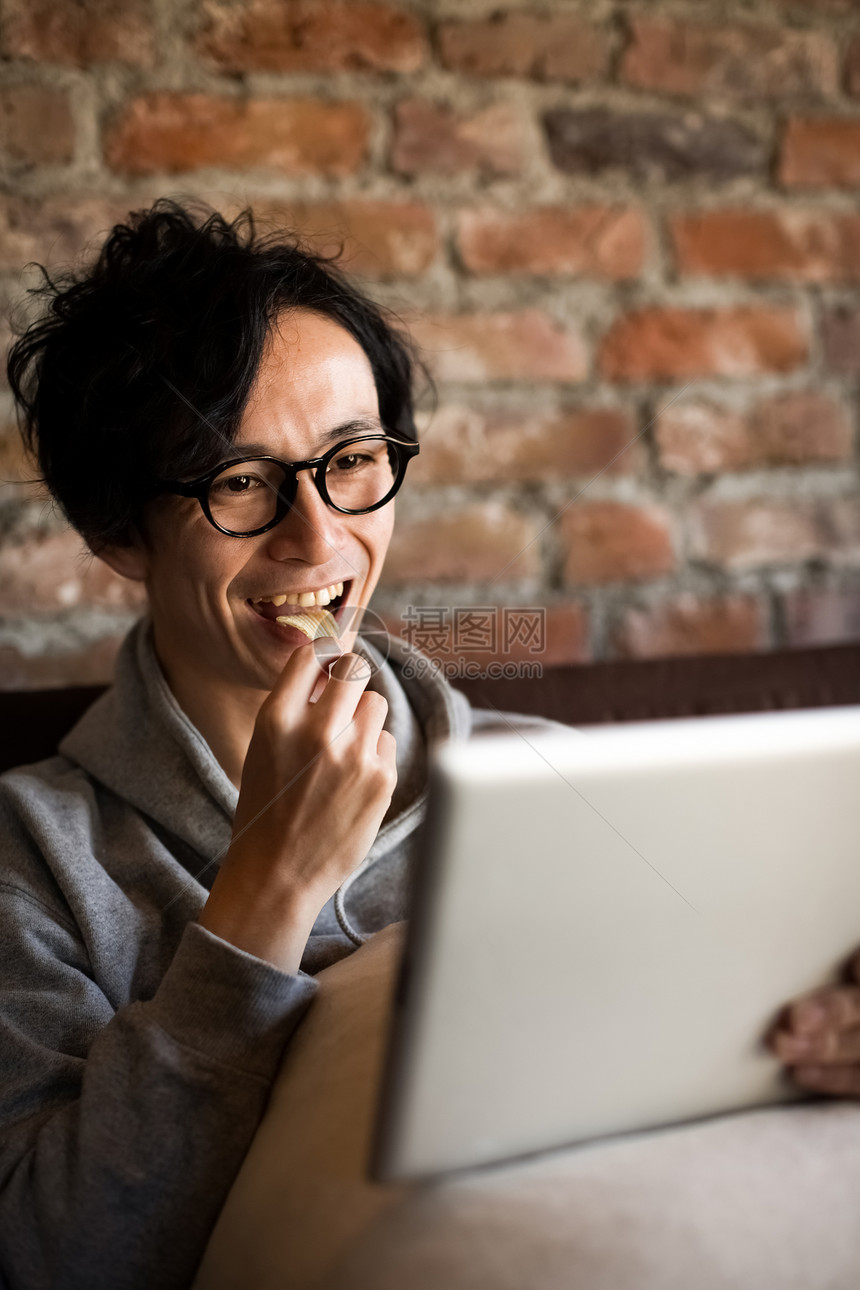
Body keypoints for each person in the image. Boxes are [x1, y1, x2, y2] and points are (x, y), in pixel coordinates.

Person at [1, 200, 858, 1290]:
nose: (318, 538)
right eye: (239, 481)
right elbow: (49, 1258)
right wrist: (264, 896)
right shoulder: (32, 857)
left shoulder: (543, 780)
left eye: (351, 459)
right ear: (116, 530)